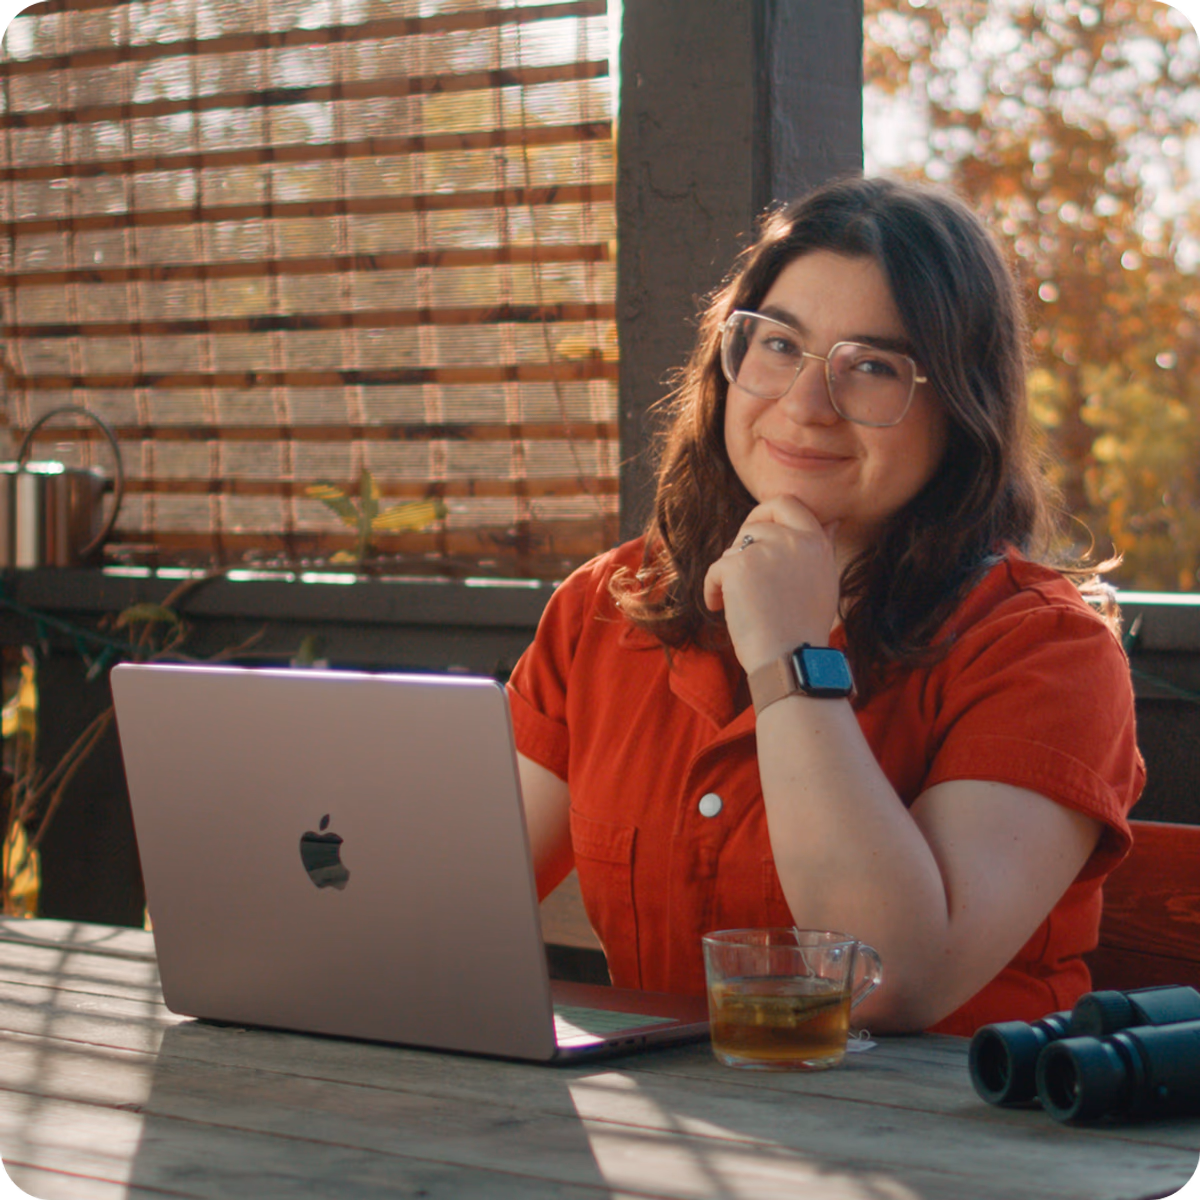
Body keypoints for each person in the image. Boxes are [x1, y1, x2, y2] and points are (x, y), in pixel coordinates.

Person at [506, 175, 1144, 1036]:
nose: (805, 406)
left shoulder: (1048, 654)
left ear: (961, 409)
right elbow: (447, 891)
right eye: (778, 347)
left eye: (872, 367)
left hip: (943, 1151)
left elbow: (887, 983)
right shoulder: (607, 608)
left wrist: (790, 654)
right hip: (667, 1138)